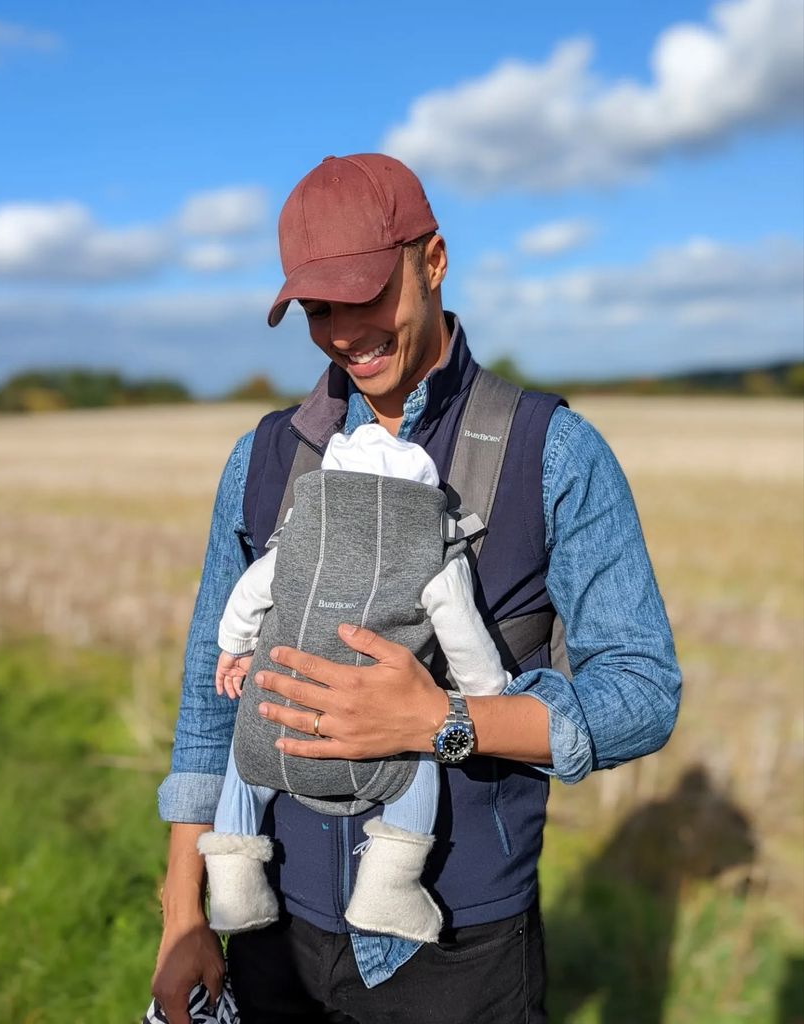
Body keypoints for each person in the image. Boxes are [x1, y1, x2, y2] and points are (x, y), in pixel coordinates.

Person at [151, 153, 681, 1024]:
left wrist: (444, 722)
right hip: (269, 926)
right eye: (319, 310)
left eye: (365, 296)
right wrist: (184, 917)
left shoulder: (552, 450)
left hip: (457, 947)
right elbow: (208, 708)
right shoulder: (263, 459)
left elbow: (643, 693)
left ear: (433, 261)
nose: (344, 332)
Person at [199, 422, 511, 943]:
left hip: (276, 736)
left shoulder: (297, 542)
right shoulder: (435, 555)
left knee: (244, 753)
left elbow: (249, 592)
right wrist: (486, 693)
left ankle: (233, 882)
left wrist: (234, 648)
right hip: (378, 758)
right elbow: (467, 645)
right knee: (422, 749)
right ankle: (389, 885)